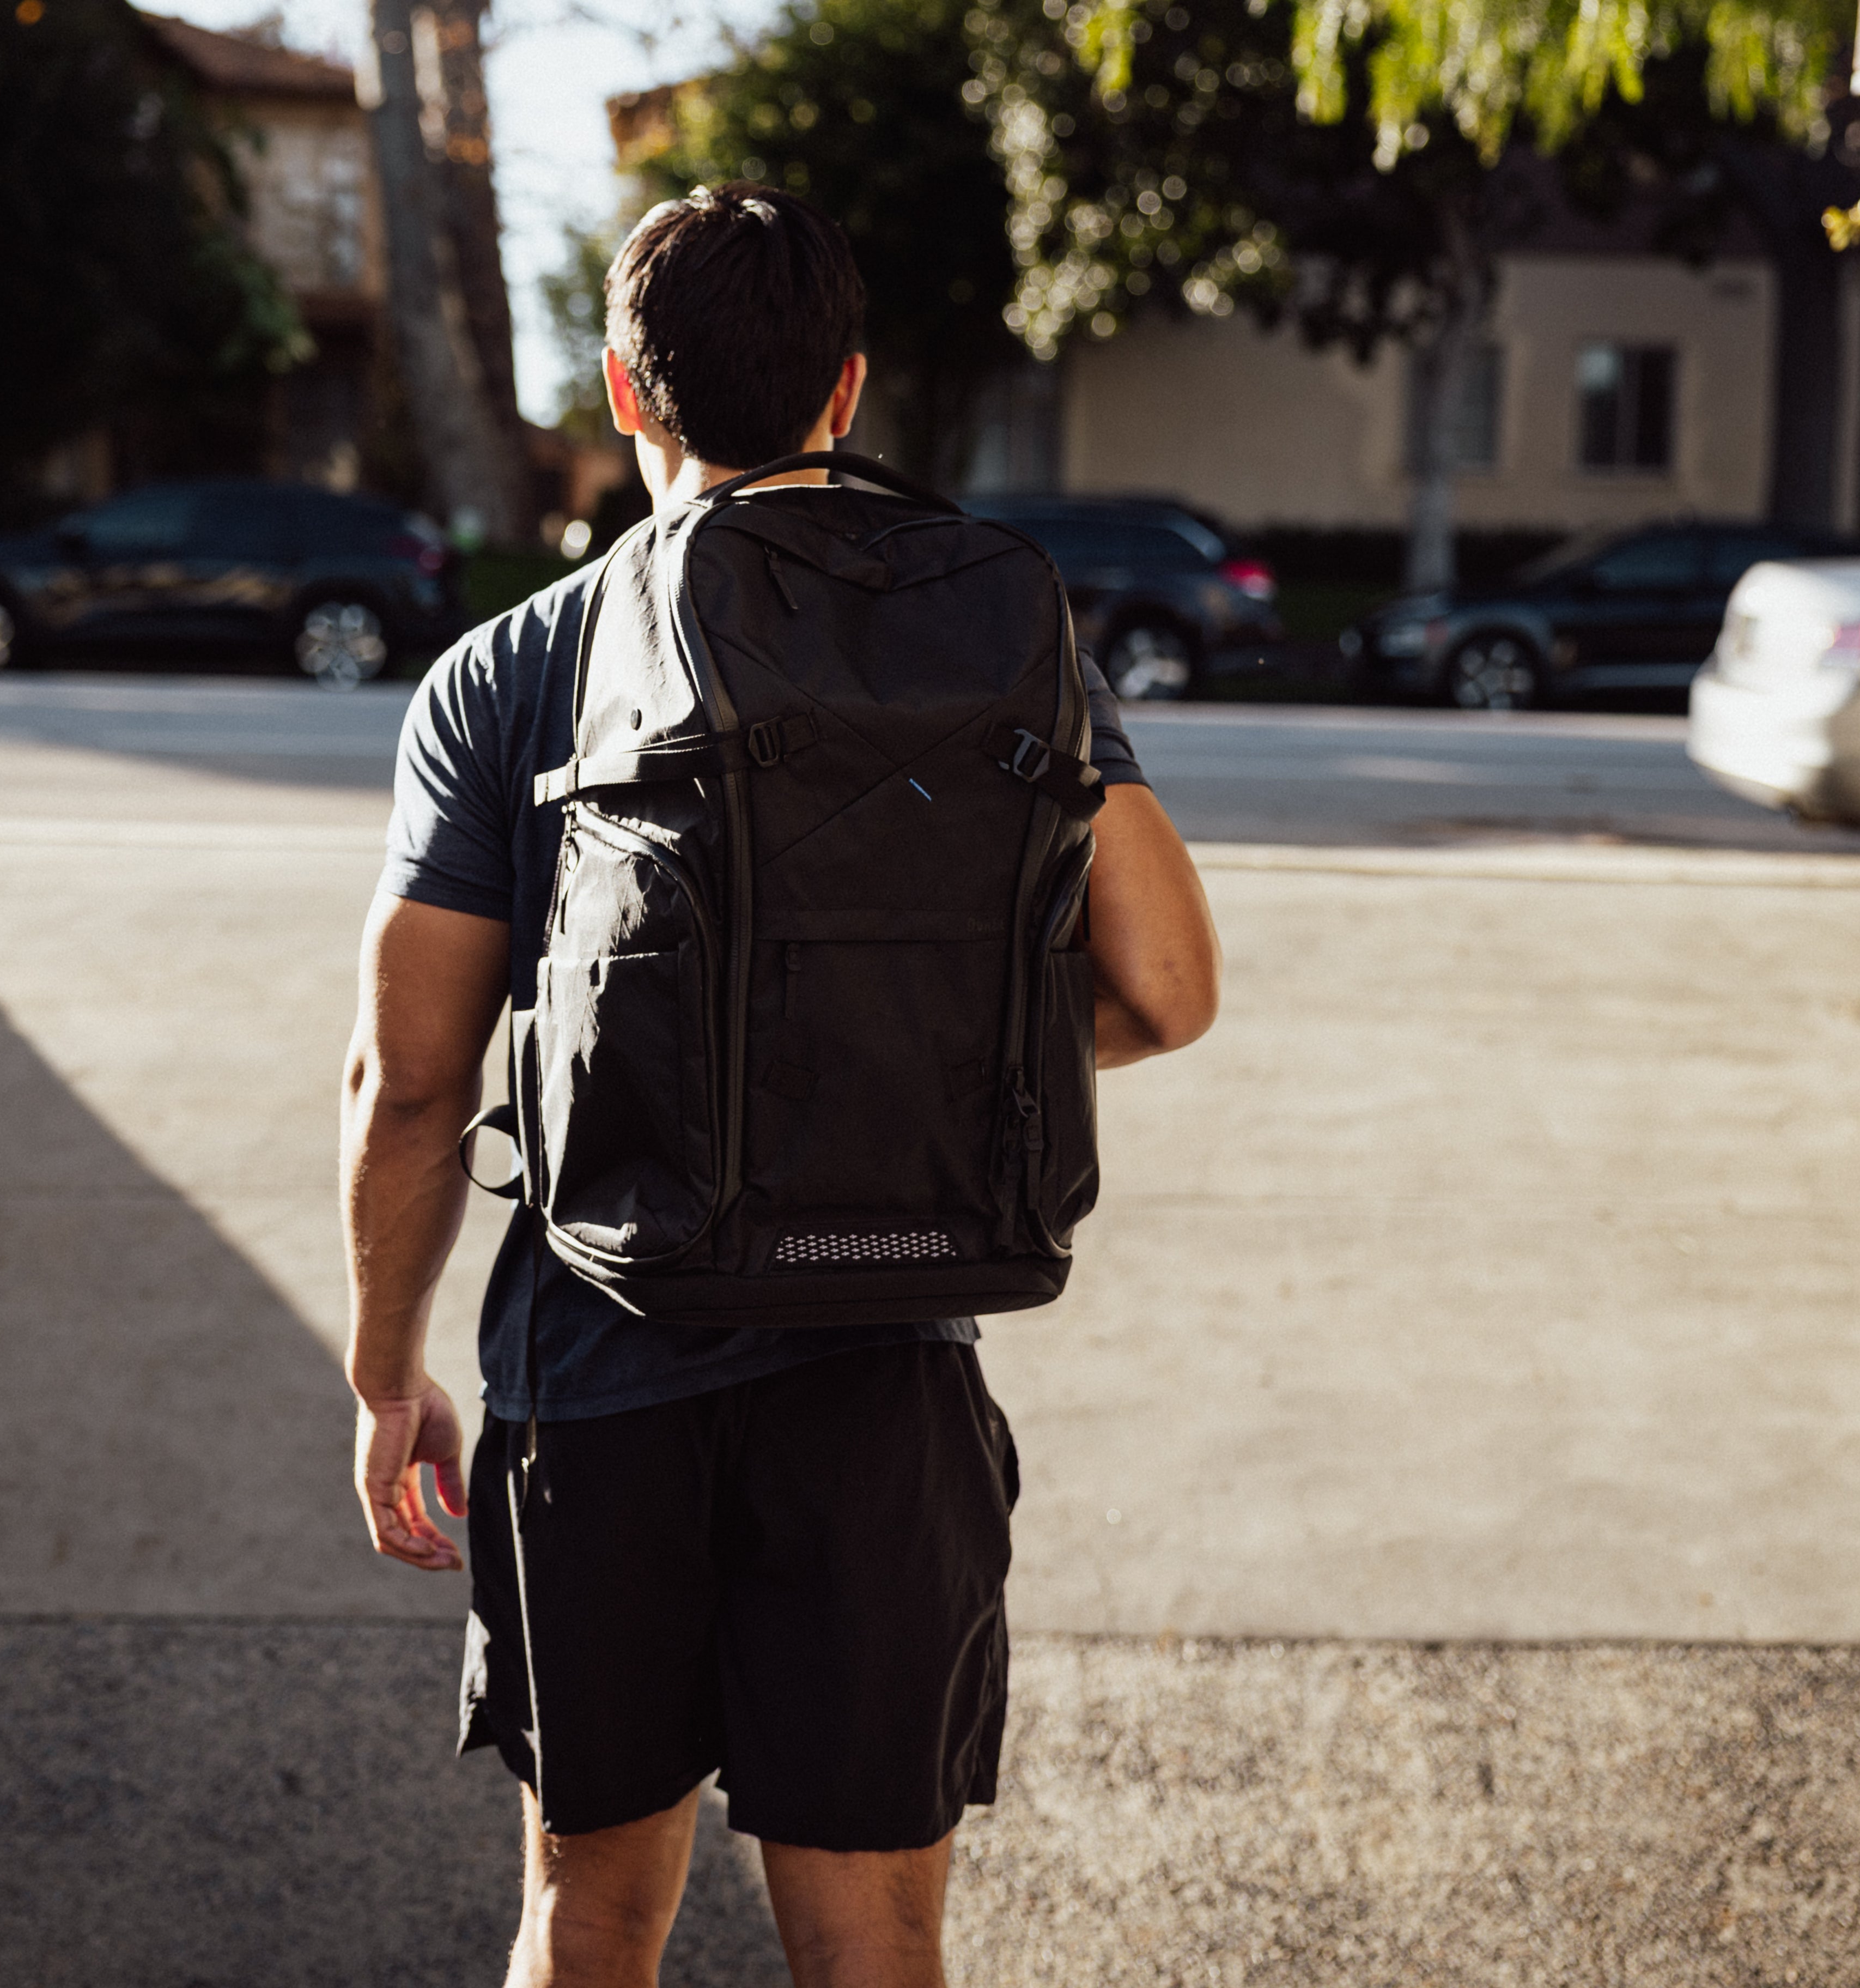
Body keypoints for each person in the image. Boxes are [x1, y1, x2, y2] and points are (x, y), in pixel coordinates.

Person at [338, 183, 1222, 1988]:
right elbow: (1168, 988)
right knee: (873, 1939)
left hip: (596, 1378)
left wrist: (383, 1374)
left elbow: (413, 1081)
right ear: (847, 390)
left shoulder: (515, 669)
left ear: (621, 392)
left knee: (587, 1913)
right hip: (886, 1380)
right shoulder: (994, 639)